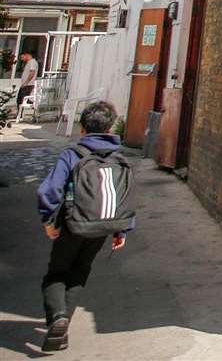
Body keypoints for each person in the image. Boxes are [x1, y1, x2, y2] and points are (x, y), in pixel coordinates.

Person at [36, 101, 134, 353]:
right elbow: (123, 194)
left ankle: (58, 318)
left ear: (82, 129)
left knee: (57, 273)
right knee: (80, 271)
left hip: (73, 224)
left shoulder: (73, 154)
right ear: (111, 127)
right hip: (103, 226)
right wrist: (121, 229)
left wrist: (48, 220)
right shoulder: (119, 157)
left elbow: (49, 190)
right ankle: (62, 326)